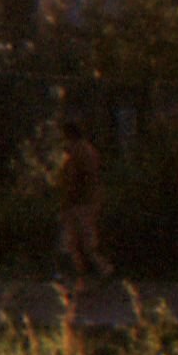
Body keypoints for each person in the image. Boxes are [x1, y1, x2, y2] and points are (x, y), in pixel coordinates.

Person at [54, 117, 110, 283]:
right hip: (90, 200)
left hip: (79, 202)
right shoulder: (89, 150)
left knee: (79, 241)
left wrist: (65, 200)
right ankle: (83, 273)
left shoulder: (76, 152)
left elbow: (72, 179)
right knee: (78, 241)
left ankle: (99, 270)